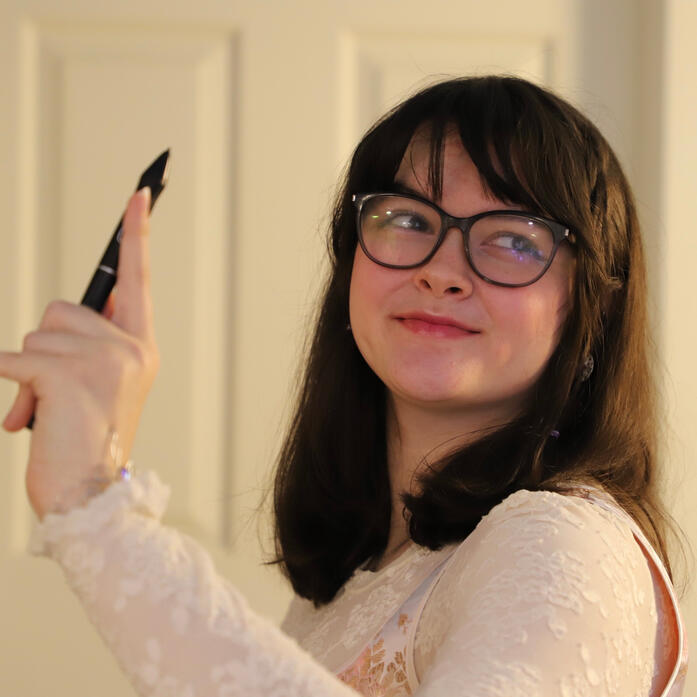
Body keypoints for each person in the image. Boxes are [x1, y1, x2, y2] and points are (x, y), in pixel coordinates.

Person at [0, 75, 689, 696]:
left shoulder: (562, 542)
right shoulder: (363, 574)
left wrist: (98, 512)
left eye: (512, 238)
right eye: (408, 219)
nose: (441, 271)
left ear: (593, 309)